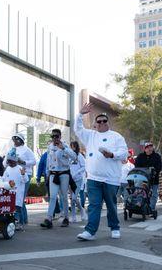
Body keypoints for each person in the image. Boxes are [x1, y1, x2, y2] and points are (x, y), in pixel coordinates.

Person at [74, 103, 128, 241]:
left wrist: (112, 155)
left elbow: (123, 153)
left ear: (108, 123)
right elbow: (78, 129)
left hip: (111, 179)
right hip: (93, 178)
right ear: (95, 124)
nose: (102, 123)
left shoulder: (116, 136)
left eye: (104, 121)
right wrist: (80, 114)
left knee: (111, 205)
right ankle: (90, 231)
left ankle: (115, 227)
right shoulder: (90, 135)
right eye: (99, 121)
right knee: (94, 205)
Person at [41, 128, 75, 228]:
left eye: (56, 136)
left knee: (64, 196)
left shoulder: (65, 145)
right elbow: (48, 160)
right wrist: (47, 173)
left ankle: (66, 218)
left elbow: (73, 157)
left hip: (64, 173)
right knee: (52, 196)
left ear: (60, 137)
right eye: (53, 136)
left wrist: (64, 148)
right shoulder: (50, 147)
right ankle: (49, 219)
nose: (54, 138)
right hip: (53, 174)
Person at [5, 133, 36, 227]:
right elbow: (5, 162)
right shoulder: (11, 149)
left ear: (21, 140)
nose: (15, 141)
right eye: (14, 139)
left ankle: (21, 220)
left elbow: (34, 161)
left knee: (20, 198)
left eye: (17, 139)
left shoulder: (27, 150)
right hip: (13, 173)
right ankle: (23, 219)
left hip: (24, 174)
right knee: (16, 198)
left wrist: (23, 162)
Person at [2, 151, 28, 230]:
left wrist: (23, 174)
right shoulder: (8, 169)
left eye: (11, 161)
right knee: (9, 209)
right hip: (9, 193)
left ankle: (20, 223)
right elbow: (4, 179)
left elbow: (25, 180)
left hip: (18, 193)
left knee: (17, 209)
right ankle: (11, 224)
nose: (10, 163)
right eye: (9, 161)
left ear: (15, 161)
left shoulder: (20, 168)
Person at [134, 142, 162, 212]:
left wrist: (154, 170)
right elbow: (136, 165)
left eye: (151, 147)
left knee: (154, 194)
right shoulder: (140, 156)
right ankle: (139, 203)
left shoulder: (157, 156)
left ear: (153, 148)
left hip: (154, 179)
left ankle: (151, 208)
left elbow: (159, 167)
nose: (149, 149)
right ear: (145, 149)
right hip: (142, 178)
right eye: (148, 147)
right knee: (139, 191)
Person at [69, 140, 87, 222]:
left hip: (78, 179)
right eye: (71, 146)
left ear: (76, 147)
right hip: (70, 180)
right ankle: (73, 216)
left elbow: (84, 167)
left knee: (74, 198)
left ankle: (82, 210)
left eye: (73, 146)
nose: (72, 148)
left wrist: (77, 173)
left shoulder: (80, 156)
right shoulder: (69, 156)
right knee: (72, 199)